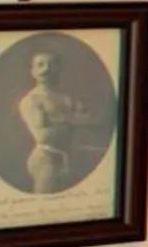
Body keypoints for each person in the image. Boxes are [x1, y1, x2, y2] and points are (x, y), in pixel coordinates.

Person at [16, 48, 98, 194]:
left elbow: (92, 120)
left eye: (51, 64)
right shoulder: (31, 100)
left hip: (70, 159)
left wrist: (56, 120)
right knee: (45, 207)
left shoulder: (67, 97)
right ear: (32, 71)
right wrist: (73, 119)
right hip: (46, 159)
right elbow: (43, 136)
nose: (46, 69)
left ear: (59, 69)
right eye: (40, 65)